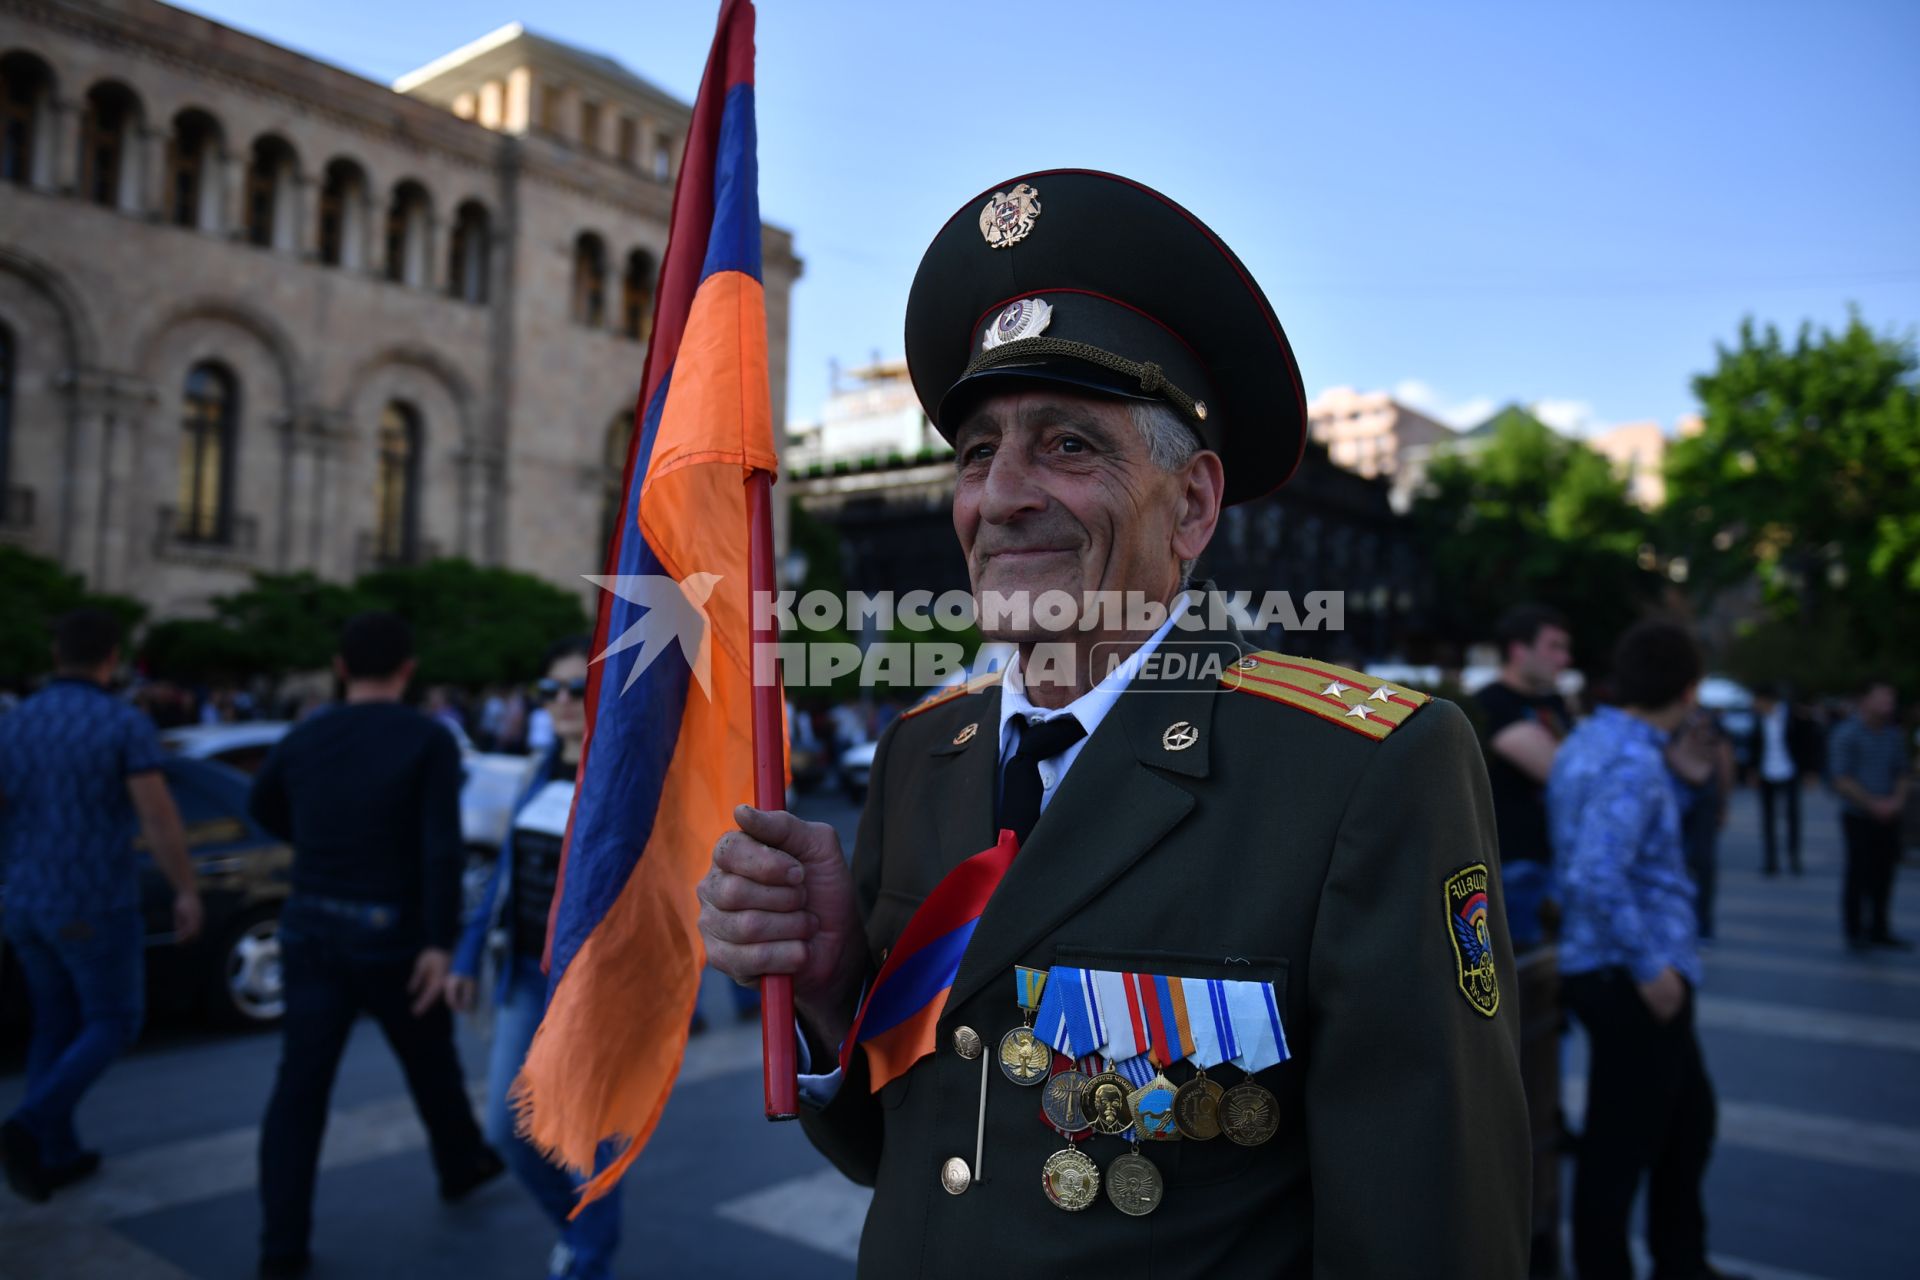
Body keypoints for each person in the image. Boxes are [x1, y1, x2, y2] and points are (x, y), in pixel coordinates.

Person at [695, 170, 1530, 1276]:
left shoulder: (1360, 772)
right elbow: (913, 1151)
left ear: (1190, 505)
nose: (1000, 496)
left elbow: (1431, 1236)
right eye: (978, 451)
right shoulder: (925, 751)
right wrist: (838, 987)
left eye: (1067, 445)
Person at [249, 613, 502, 1277]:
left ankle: (281, 1245)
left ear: (339, 667)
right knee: (430, 1061)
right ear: (408, 671)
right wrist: (440, 942)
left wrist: (314, 837)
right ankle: (461, 1161)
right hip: (392, 934)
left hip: (309, 925)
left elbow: (262, 805)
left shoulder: (305, 736)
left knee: (299, 1089)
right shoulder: (426, 740)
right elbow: (441, 848)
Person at [1549, 620, 1740, 1280]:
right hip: (1628, 976)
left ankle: (1681, 1261)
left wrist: (1685, 782)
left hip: (1612, 969)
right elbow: (1594, 872)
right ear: (1688, 692)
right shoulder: (1631, 760)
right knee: (1621, 1147)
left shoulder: (1596, 739)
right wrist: (1650, 969)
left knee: (1687, 1125)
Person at [0, 609, 202, 1202]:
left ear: (55, 655)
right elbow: (158, 816)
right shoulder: (122, 723)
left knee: (54, 1021)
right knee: (114, 1021)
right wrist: (185, 888)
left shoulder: (15, 723)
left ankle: (54, 1153)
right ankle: (32, 1125)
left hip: (24, 899)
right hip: (92, 899)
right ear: (112, 658)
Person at [446, 638, 624, 1280]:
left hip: (591, 993)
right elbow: (500, 877)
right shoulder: (538, 767)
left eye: (575, 689)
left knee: (586, 1143)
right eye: (548, 691)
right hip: (523, 978)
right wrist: (466, 957)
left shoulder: (626, 775)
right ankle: (574, 1235)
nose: (560, 703)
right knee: (504, 1131)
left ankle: (590, 1256)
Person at [1473, 605, 1573, 950]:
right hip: (1514, 864)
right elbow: (1564, 774)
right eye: (1554, 647)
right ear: (1518, 649)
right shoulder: (1491, 704)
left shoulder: (1555, 703)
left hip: (1555, 858)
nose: (1563, 659)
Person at [1827, 681, 1910, 951]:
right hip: (1858, 814)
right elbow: (1841, 778)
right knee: (1858, 872)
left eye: (1891, 699)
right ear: (1865, 701)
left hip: (1889, 813)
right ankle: (1855, 931)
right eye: (1882, 699)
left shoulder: (1893, 734)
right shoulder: (1847, 733)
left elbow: (1902, 771)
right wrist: (1873, 804)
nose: (1888, 705)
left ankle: (1879, 928)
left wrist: (1895, 801)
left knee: (1884, 872)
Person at [1667, 708, 1735, 940]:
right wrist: (1723, 801)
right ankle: (1702, 924)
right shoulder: (1710, 721)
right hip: (1703, 797)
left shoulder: (1668, 719)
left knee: (1683, 863)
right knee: (1702, 863)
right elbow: (1725, 762)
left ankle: (1691, 923)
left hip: (1681, 798)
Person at [1747, 686, 1819, 875]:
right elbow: (1755, 745)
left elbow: (1807, 743)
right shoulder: (1759, 719)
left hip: (1789, 770)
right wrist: (1753, 769)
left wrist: (1810, 770)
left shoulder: (1794, 717)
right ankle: (1771, 861)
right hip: (1767, 771)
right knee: (1768, 819)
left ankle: (1794, 858)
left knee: (1793, 817)